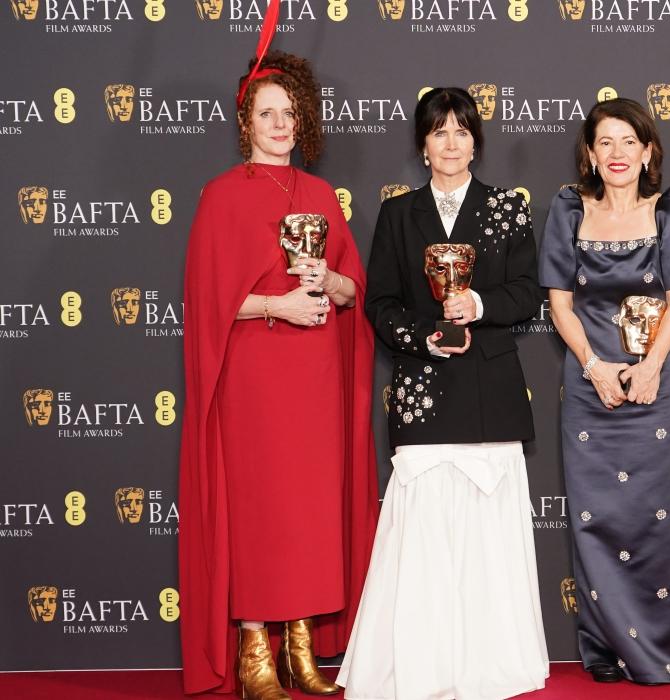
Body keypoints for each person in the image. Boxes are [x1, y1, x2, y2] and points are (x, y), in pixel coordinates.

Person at [178, 50, 379, 699]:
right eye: (267, 113)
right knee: (261, 509)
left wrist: (332, 280)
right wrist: (276, 304)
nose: (280, 124)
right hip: (254, 378)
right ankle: (254, 651)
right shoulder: (221, 196)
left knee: (310, 511)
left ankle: (300, 648)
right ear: (245, 122)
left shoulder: (320, 195)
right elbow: (208, 302)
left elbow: (353, 292)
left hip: (315, 378)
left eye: (289, 112)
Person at [336, 87, 549, 700]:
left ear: (475, 142)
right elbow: (379, 302)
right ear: (422, 146)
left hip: (489, 391)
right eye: (439, 132)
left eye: (461, 131)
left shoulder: (507, 207)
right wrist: (425, 336)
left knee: (487, 544)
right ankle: (418, 667)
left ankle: (492, 664)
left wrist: (477, 303)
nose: (451, 143)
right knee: (423, 543)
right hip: (423, 390)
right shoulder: (398, 214)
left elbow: (527, 292)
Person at [540, 97, 670, 685]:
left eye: (628, 142)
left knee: (662, 520)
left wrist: (651, 365)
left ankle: (669, 646)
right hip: (590, 385)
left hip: (659, 382)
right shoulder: (568, 209)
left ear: (648, 151)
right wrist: (594, 366)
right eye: (605, 142)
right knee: (598, 518)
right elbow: (560, 305)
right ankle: (607, 648)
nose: (617, 153)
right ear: (590, 153)